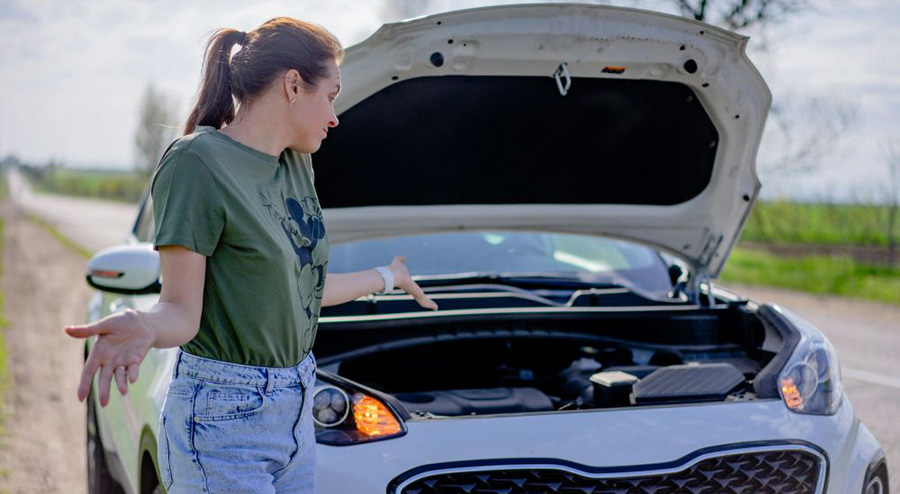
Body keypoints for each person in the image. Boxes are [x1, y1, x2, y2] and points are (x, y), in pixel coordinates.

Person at [64, 17, 438, 493]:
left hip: (298, 410)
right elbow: (181, 310)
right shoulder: (197, 163)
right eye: (332, 95)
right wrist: (146, 325)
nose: (335, 116)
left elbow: (302, 291)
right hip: (222, 420)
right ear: (293, 85)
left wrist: (388, 276)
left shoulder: (298, 164)